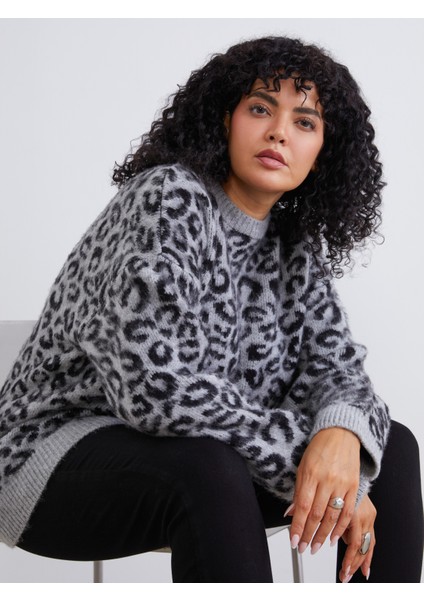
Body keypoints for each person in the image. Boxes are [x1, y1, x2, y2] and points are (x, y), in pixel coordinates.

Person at [0, 35, 422, 583]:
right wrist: (322, 469)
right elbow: (157, 392)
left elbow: (341, 373)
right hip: (48, 459)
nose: (278, 132)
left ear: (323, 152)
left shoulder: (290, 246)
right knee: (210, 465)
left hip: (200, 461)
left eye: (304, 122)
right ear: (226, 119)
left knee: (389, 448)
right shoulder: (168, 197)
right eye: (260, 109)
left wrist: (341, 439)